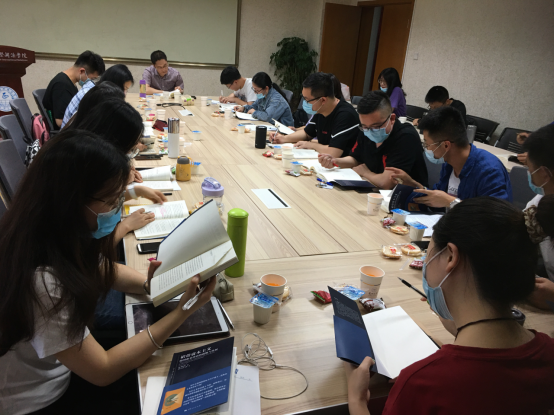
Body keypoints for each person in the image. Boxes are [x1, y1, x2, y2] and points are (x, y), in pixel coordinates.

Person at [0, 130, 217, 414]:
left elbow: (103, 268)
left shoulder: (55, 233)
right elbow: (102, 370)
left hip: (66, 368)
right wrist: (181, 312)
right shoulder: (42, 278)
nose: (118, 209)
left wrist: (152, 285)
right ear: (73, 200)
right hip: (44, 399)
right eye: (113, 201)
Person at [345, 197, 554, 415]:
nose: (426, 263)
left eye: (428, 254)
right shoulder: (548, 354)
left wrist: (357, 402)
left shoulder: (422, 384)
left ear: (450, 257)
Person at [386, 106, 512, 210]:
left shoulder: (489, 170)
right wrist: (413, 184)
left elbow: (496, 218)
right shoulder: (449, 164)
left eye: (427, 144)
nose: (426, 149)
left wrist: (451, 202)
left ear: (446, 145)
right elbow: (437, 198)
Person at [319, 91, 427, 190]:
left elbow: (387, 183)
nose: (370, 131)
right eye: (365, 126)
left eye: (376, 126)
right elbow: (356, 159)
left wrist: (366, 173)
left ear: (392, 119)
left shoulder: (406, 137)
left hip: (405, 197)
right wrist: (335, 161)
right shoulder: (365, 130)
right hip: (373, 188)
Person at [271, 72, 359, 158]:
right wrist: (283, 138)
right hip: (323, 159)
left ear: (323, 100)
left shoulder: (345, 115)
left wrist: (311, 145)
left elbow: (333, 152)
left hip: (341, 165)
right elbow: (307, 133)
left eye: (307, 100)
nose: (305, 103)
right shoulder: (321, 109)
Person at [522, 124, 554, 309]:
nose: (529, 174)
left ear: (543, 173)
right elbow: (514, 238)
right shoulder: (537, 205)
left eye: (529, 168)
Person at [43, 50, 105, 128]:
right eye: (92, 79)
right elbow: (61, 122)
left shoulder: (70, 82)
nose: (92, 82)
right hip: (63, 132)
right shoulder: (62, 85)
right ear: (82, 71)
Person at [62, 64, 134, 128]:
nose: (125, 93)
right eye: (124, 88)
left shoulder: (96, 88)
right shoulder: (97, 97)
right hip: (71, 135)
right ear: (116, 85)